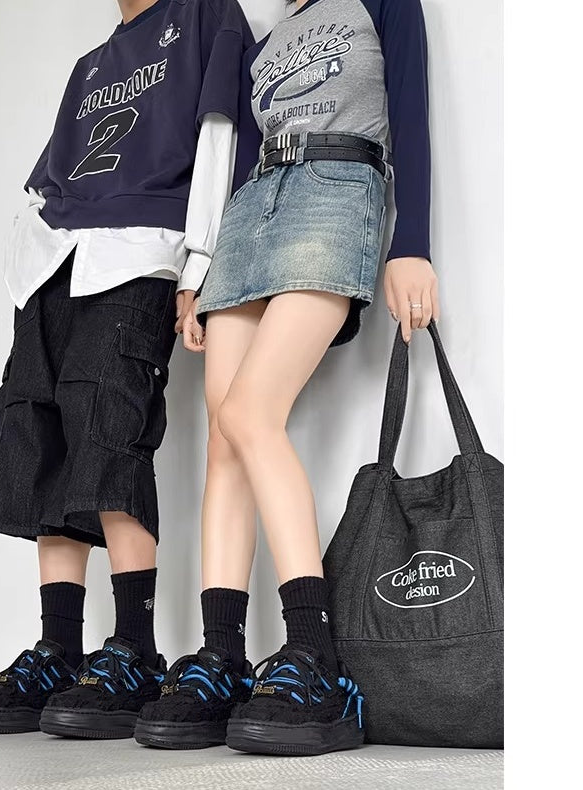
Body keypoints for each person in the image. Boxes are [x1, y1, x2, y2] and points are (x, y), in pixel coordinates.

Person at [136, 0, 437, 755]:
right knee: (224, 435)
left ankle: (315, 654)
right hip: (252, 211)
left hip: (336, 189)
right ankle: (222, 658)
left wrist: (413, 244)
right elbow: (240, 153)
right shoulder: (261, 37)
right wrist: (198, 273)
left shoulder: (381, 3)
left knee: (251, 413)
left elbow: (410, 110)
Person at [0, 0, 253, 738]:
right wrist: (26, 259)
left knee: (111, 436)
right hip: (53, 267)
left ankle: (134, 649)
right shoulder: (89, 66)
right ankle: (60, 647)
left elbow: (220, 139)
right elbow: (44, 182)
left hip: (138, 256)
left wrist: (201, 262)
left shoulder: (206, 15)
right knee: (37, 438)